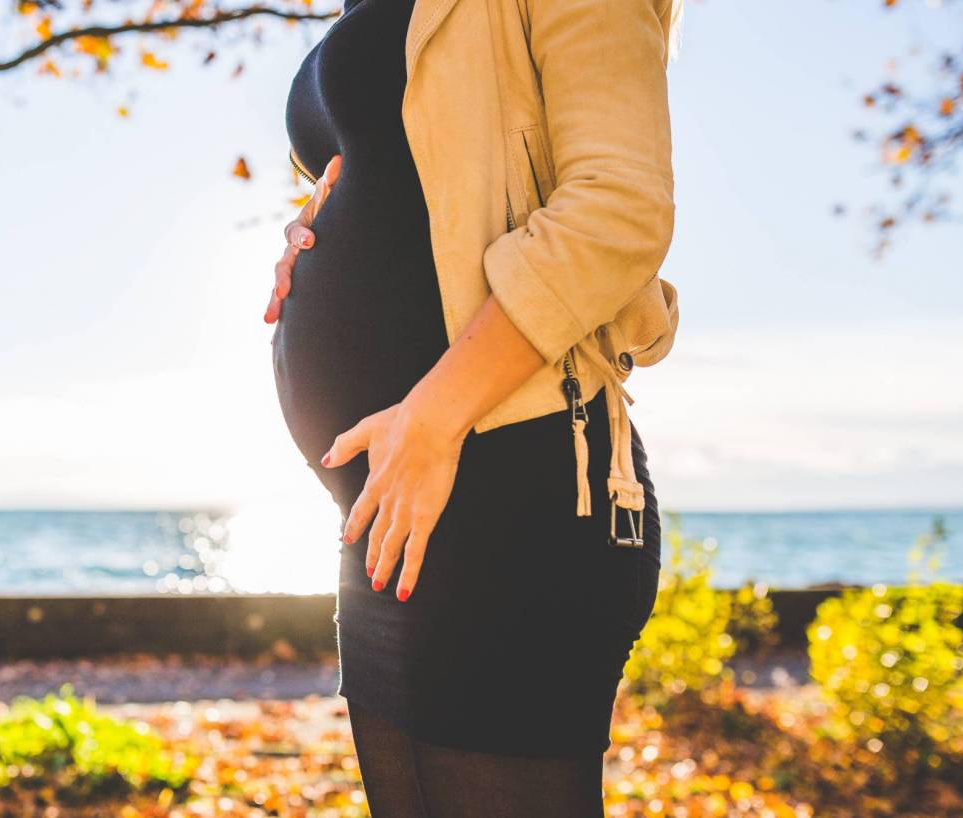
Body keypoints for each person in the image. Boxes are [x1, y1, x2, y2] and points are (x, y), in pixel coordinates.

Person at [263, 0, 684, 814]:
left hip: (514, 486)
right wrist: (312, 225)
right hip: (390, 512)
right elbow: (403, 173)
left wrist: (433, 415)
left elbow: (619, 207)